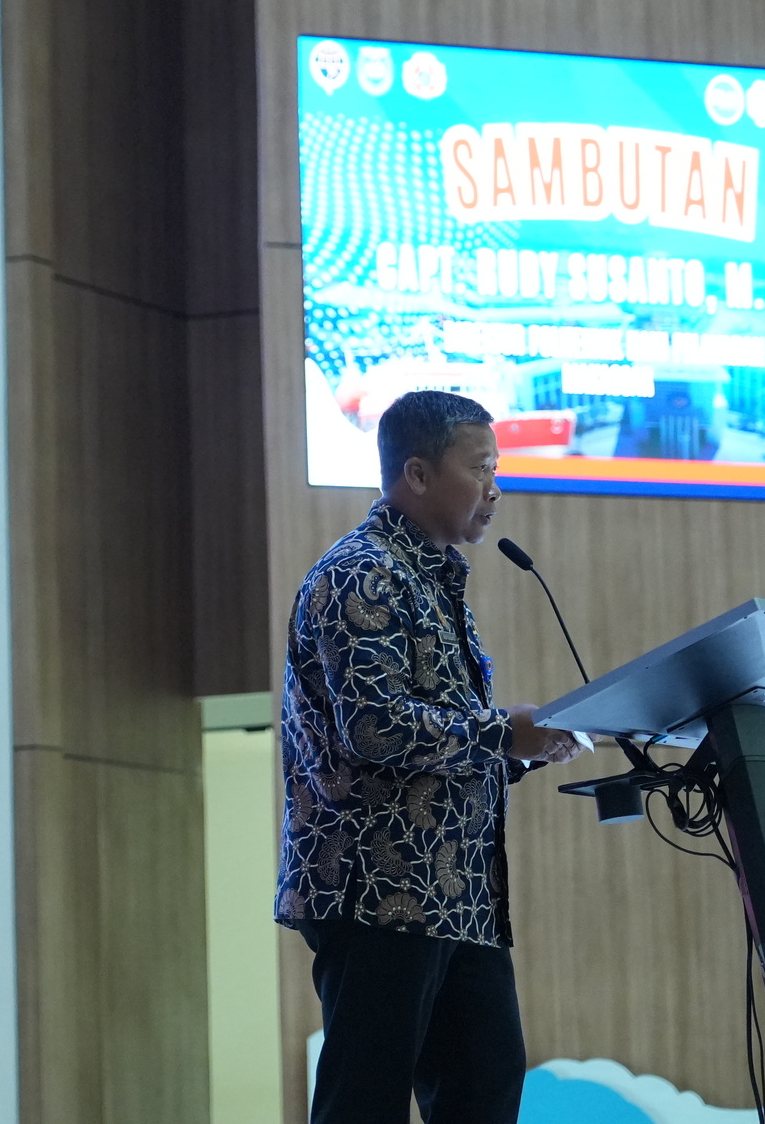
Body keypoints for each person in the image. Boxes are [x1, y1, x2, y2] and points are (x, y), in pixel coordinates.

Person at [278, 390, 588, 1124]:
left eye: (497, 468)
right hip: (377, 892)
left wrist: (528, 748)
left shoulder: (434, 579)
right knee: (364, 1105)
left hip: (458, 896)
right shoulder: (362, 573)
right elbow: (375, 727)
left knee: (486, 1092)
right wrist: (502, 735)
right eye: (480, 468)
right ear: (417, 475)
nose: (495, 488)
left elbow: (439, 740)